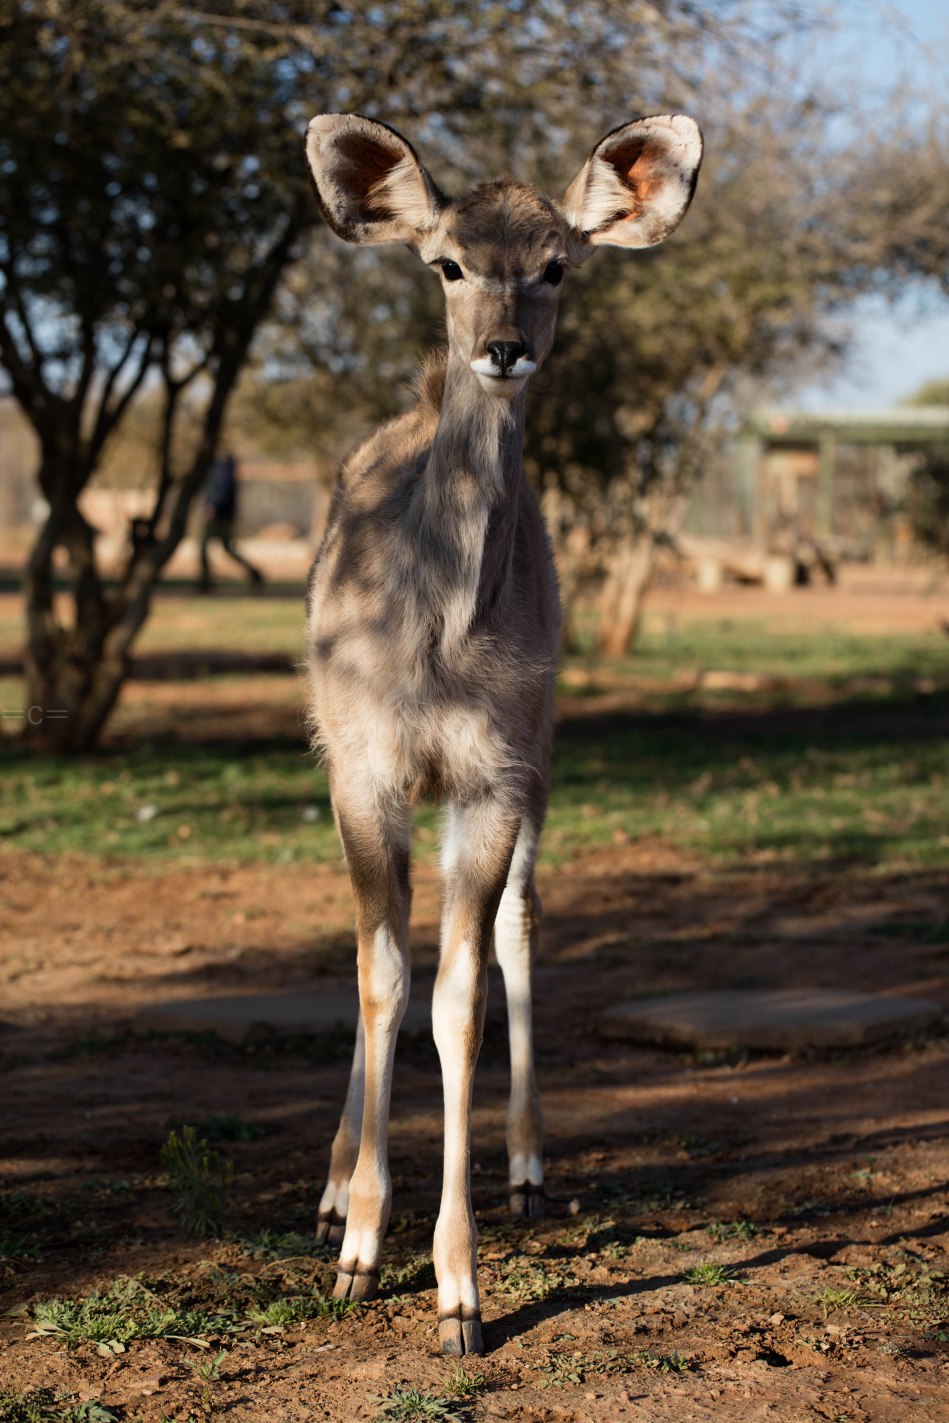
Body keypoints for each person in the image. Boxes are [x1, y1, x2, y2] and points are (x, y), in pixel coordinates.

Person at [197, 451, 264, 591]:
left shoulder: (221, 469)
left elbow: (221, 489)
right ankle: (254, 573)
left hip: (217, 516)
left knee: (203, 546)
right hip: (224, 516)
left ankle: (205, 582)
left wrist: (213, 506)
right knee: (228, 549)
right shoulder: (225, 467)